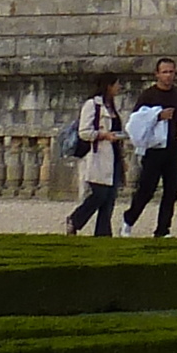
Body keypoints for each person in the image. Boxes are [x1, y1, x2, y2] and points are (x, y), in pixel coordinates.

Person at [122, 57, 177, 236]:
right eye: (165, 72)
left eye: (171, 72)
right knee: (146, 189)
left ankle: (163, 229)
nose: (168, 76)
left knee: (172, 189)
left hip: (172, 147)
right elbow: (136, 121)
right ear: (157, 74)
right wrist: (157, 116)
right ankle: (129, 219)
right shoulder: (149, 95)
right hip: (154, 149)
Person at [63, 76, 125, 236]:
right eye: (117, 84)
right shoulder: (92, 105)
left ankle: (103, 233)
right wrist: (103, 135)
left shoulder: (111, 106)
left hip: (113, 156)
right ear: (109, 86)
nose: (119, 87)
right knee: (99, 195)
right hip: (97, 156)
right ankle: (76, 219)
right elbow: (84, 132)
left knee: (110, 197)